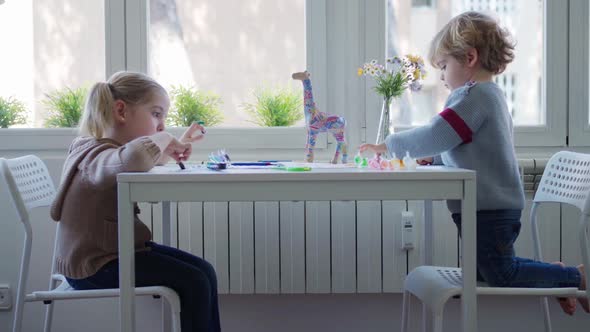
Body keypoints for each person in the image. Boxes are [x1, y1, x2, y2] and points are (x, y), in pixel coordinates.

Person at [360, 11, 587, 315]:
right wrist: (435, 157)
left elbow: (438, 134)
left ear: (469, 58)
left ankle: (575, 277)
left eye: (443, 66)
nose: (440, 76)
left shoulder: (476, 97)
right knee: (488, 272)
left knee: (500, 273)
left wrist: (388, 146)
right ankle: (561, 274)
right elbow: (461, 143)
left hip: (490, 208)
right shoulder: (482, 96)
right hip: (482, 207)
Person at [50, 71, 221, 331]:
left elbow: (141, 160)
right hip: (94, 266)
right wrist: (163, 139)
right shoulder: (95, 155)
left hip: (113, 253)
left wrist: (179, 143)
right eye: (156, 114)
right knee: (195, 280)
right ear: (121, 111)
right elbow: (135, 159)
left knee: (204, 271)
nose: (162, 125)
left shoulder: (107, 151)